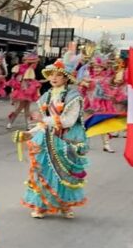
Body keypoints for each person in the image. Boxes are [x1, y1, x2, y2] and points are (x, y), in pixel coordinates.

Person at [18, 49, 88, 219]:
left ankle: (65, 205)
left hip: (65, 140)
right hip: (46, 139)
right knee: (42, 172)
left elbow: (68, 121)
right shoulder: (46, 96)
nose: (54, 78)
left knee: (64, 174)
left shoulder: (73, 96)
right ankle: (41, 205)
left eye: (58, 75)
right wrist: (29, 132)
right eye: (51, 74)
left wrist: (46, 121)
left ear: (66, 78)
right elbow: (43, 121)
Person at [79, 53, 119, 153]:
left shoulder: (106, 79)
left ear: (103, 68)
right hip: (89, 103)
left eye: (99, 67)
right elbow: (82, 92)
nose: (96, 69)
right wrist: (83, 85)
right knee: (86, 124)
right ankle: (84, 144)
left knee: (103, 124)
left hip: (102, 105)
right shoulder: (88, 78)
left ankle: (106, 145)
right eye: (95, 67)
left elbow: (110, 91)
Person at [7, 53, 41, 130]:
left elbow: (30, 80)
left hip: (28, 90)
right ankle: (11, 123)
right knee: (21, 108)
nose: (36, 65)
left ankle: (27, 124)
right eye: (36, 63)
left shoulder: (30, 70)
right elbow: (20, 79)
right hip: (24, 91)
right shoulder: (25, 69)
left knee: (26, 108)